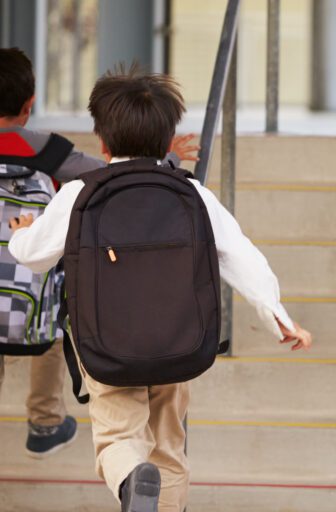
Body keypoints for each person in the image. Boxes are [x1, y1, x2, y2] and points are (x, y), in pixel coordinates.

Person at [7, 67, 310, 512]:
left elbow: (33, 259)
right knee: (169, 444)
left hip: (105, 343)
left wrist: (20, 235)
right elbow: (241, 255)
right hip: (176, 342)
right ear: (170, 139)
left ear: (101, 141)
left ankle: (129, 481)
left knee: (119, 437)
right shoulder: (191, 192)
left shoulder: (81, 191)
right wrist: (277, 315)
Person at [0, 47, 197, 457]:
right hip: (31, 288)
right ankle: (44, 421)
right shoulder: (47, 150)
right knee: (57, 310)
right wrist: (171, 158)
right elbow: (118, 175)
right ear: (29, 103)